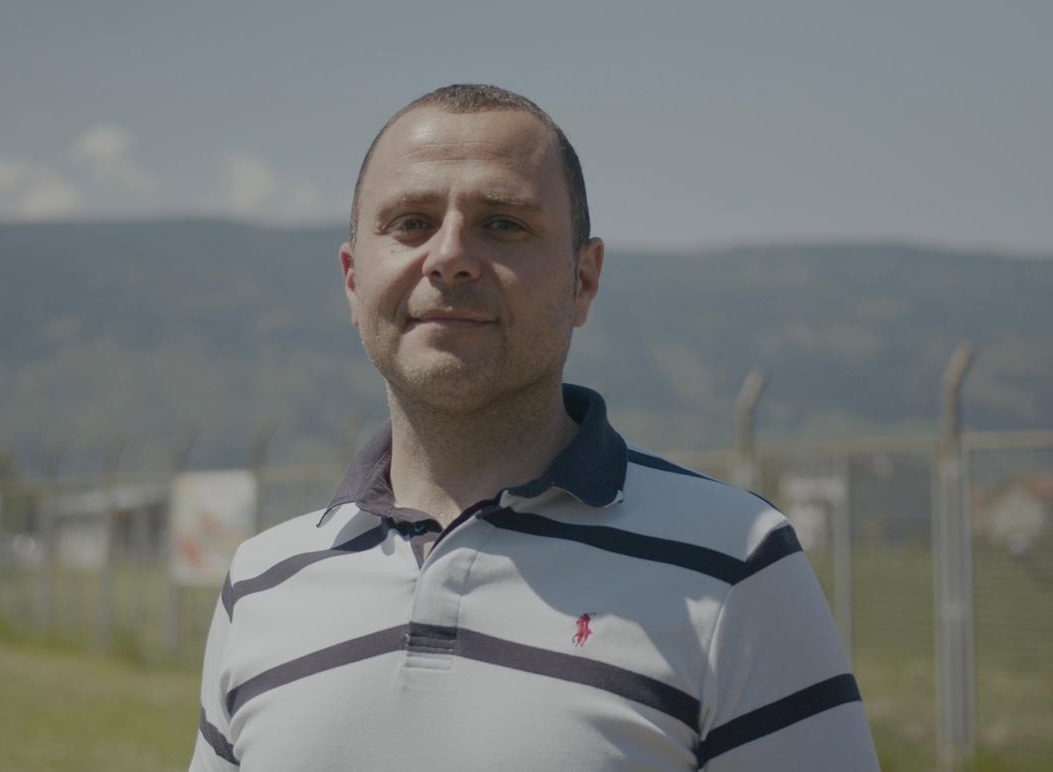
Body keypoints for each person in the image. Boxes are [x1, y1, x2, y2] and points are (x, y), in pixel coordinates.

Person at [190, 84, 880, 771]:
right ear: (351, 279)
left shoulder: (734, 565)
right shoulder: (263, 583)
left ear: (583, 279)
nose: (448, 257)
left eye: (502, 224)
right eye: (409, 223)